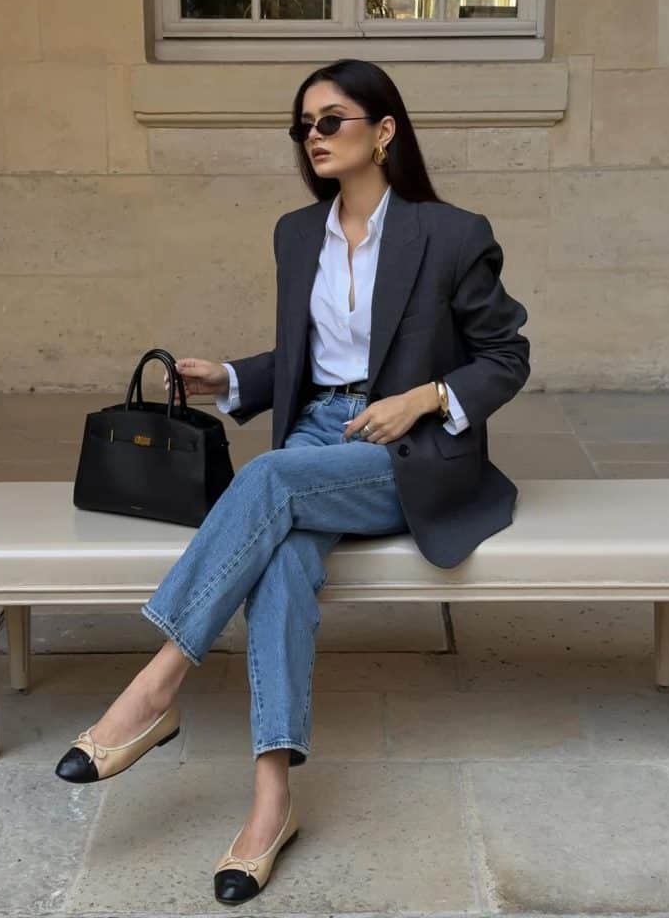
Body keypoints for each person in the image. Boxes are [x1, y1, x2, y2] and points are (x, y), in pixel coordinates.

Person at [54, 58, 530, 905]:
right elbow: (312, 362)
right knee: (281, 567)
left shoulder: (452, 234)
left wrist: (423, 396)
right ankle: (272, 802)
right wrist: (232, 380)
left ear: (384, 133)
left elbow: (507, 356)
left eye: (331, 120)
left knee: (271, 479)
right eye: (303, 125)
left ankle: (157, 683)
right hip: (317, 438)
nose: (312, 136)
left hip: (407, 453)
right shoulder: (295, 234)